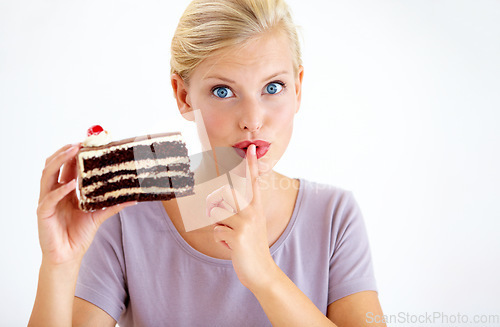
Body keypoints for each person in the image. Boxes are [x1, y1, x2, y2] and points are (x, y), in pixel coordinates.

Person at [29, 0, 386, 326]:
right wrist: (60, 265)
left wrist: (264, 274)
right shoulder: (125, 217)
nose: (252, 119)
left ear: (299, 88)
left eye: (273, 87)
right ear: (183, 96)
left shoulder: (335, 216)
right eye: (223, 91)